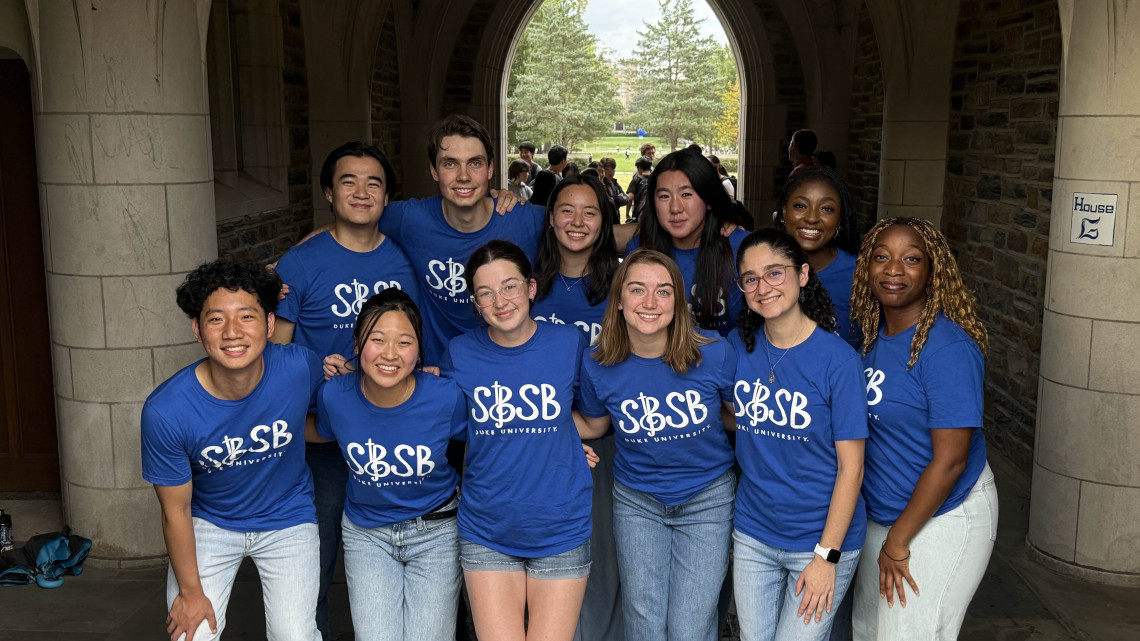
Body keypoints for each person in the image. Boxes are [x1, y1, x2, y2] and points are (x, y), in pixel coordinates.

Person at [271, 141, 421, 641]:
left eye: (373, 182)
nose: (361, 192)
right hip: (321, 442)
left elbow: (414, 343)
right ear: (329, 194)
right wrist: (319, 374)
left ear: (387, 197)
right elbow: (276, 357)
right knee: (312, 570)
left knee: (398, 565)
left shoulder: (403, 261)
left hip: (391, 437)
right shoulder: (300, 263)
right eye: (348, 181)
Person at [141, 259, 324, 641]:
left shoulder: (299, 368)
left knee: (294, 634)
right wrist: (191, 593)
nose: (232, 332)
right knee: (191, 635)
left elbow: (342, 405)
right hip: (210, 520)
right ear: (197, 329)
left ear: (269, 324)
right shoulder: (166, 411)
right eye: (216, 319)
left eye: (246, 316)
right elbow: (176, 510)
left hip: (287, 516)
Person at [576, 249, 737, 641]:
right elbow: (595, 425)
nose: (650, 302)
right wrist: (545, 428)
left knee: (690, 626)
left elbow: (739, 417)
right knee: (644, 621)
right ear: (618, 300)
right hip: (638, 501)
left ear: (677, 302)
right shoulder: (598, 362)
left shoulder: (714, 352)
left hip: (707, 498)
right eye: (637, 289)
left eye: (663, 291)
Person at [849, 217, 996, 641]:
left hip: (942, 515)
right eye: (881, 257)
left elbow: (951, 460)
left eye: (911, 259)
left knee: (910, 633)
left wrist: (897, 542)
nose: (894, 269)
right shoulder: (871, 337)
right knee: (867, 631)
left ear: (933, 271)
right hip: (884, 514)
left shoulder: (948, 348)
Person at [441, 240, 595, 641]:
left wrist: (563, 443)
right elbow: (456, 426)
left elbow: (589, 419)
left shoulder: (569, 343)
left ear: (530, 288)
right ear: (475, 304)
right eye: (485, 293)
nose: (500, 301)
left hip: (560, 526)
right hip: (487, 528)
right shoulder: (459, 353)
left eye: (509, 286)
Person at [728, 229, 867, 641]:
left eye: (775, 273)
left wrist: (826, 557)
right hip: (754, 533)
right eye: (750, 278)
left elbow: (852, 469)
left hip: (819, 539)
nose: (763, 287)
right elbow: (727, 413)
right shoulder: (738, 346)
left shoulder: (838, 361)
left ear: (803, 275)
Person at [311, 289, 466, 641]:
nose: (390, 353)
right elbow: (317, 431)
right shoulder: (335, 395)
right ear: (357, 344)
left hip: (437, 532)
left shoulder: (445, 396)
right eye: (377, 339)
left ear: (419, 350)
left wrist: (560, 444)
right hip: (367, 535)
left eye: (404, 342)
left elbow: (491, 435)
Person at [530, 174, 623, 641]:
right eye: (567, 210)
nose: (578, 221)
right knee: (545, 557)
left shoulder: (622, 286)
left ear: (605, 222)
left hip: (604, 440)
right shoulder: (529, 285)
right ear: (550, 218)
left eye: (591, 212)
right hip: (538, 440)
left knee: (601, 558)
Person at [626, 149, 748, 336]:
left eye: (686, 195)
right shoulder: (639, 249)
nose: (675, 208)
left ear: (709, 200)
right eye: (664, 196)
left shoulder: (742, 247)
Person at [774, 165, 862, 347]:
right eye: (801, 206)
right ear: (784, 211)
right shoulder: (762, 266)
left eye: (827, 209)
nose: (812, 218)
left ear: (840, 218)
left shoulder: (860, 275)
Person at [598, 157, 629, 223]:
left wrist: (617, 199)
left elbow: (626, 198)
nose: (611, 172)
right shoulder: (600, 184)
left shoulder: (614, 183)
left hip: (615, 220)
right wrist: (617, 198)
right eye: (607, 169)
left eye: (613, 169)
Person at [624, 156, 653, 223]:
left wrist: (627, 214)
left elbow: (630, 198)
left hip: (639, 214)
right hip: (652, 214)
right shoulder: (655, 179)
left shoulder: (637, 179)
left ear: (639, 168)